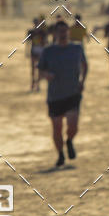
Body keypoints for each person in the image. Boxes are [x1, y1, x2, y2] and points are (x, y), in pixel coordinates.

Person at [38, 20, 88, 169]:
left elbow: (85, 65)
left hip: (73, 92)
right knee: (57, 127)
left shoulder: (77, 48)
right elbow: (40, 70)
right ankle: (60, 154)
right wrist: (46, 75)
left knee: (73, 125)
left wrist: (82, 81)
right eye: (60, 31)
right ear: (54, 33)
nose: (63, 34)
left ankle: (70, 141)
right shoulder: (48, 51)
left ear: (68, 32)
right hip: (54, 96)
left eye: (65, 31)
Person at [26, 17, 48, 92]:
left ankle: (37, 84)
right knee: (33, 69)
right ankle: (33, 82)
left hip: (40, 51)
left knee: (39, 69)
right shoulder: (31, 32)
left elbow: (46, 42)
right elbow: (28, 42)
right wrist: (27, 51)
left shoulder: (42, 32)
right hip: (34, 50)